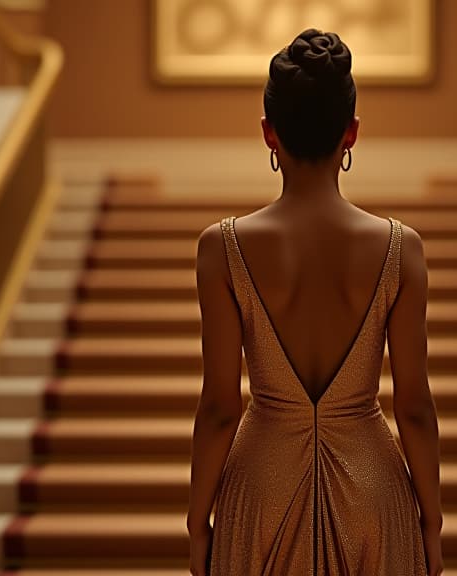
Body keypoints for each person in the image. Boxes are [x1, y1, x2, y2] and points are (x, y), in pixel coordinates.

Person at [187, 28, 443, 575]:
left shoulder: (221, 247)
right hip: (375, 494)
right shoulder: (402, 249)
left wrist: (197, 522)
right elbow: (415, 407)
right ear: (351, 133)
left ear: (268, 133)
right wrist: (432, 523)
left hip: (259, 491)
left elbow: (218, 408)